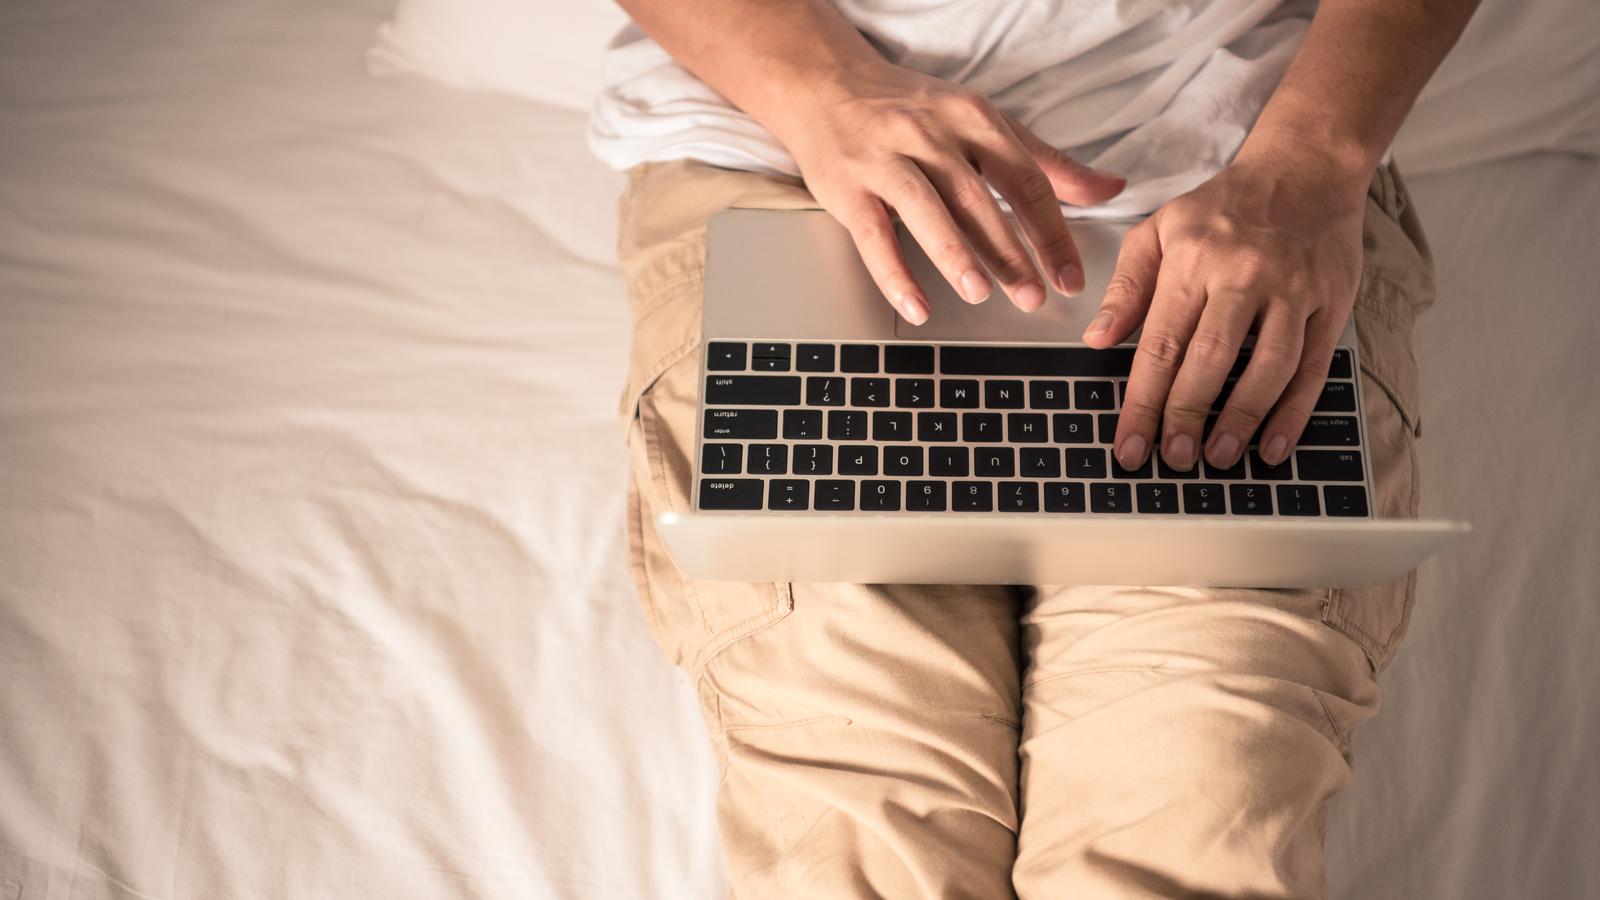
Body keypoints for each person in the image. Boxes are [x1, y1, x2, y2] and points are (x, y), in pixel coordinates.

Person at [591, 0, 1478, 895]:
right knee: (858, 794)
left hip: (1244, 182)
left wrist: (1312, 162)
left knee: (1198, 794)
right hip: (784, 148)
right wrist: (828, 87)